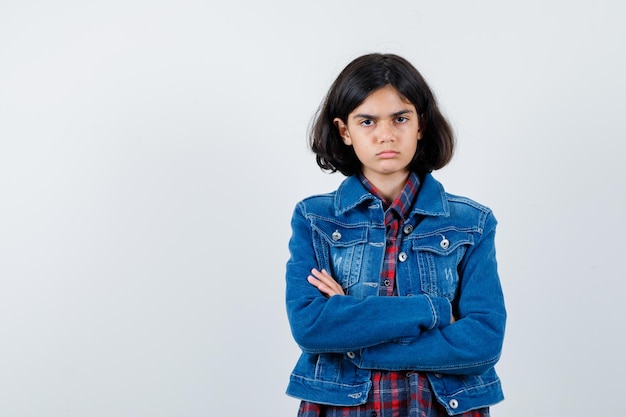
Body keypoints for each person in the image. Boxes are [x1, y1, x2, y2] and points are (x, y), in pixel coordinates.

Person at [285, 53, 506, 417]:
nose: (386, 134)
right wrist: (433, 310)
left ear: (420, 125)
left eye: (400, 118)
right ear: (344, 131)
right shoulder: (315, 219)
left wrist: (354, 332)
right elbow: (311, 327)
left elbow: (483, 342)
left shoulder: (472, 223)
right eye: (367, 121)